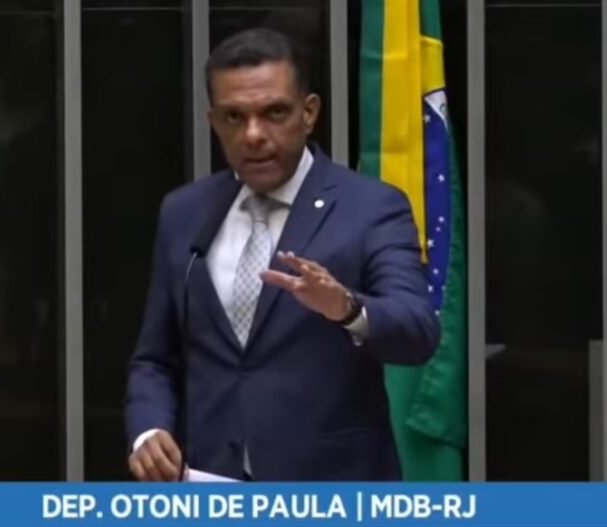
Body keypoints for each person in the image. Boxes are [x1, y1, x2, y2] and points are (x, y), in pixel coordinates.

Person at [125, 28, 439, 482]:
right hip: (209, 483)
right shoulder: (184, 212)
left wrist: (348, 308)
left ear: (309, 113)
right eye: (234, 117)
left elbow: (418, 332)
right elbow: (155, 358)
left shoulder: (370, 208)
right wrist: (149, 430)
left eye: (274, 113)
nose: (253, 135)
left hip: (330, 490)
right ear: (213, 122)